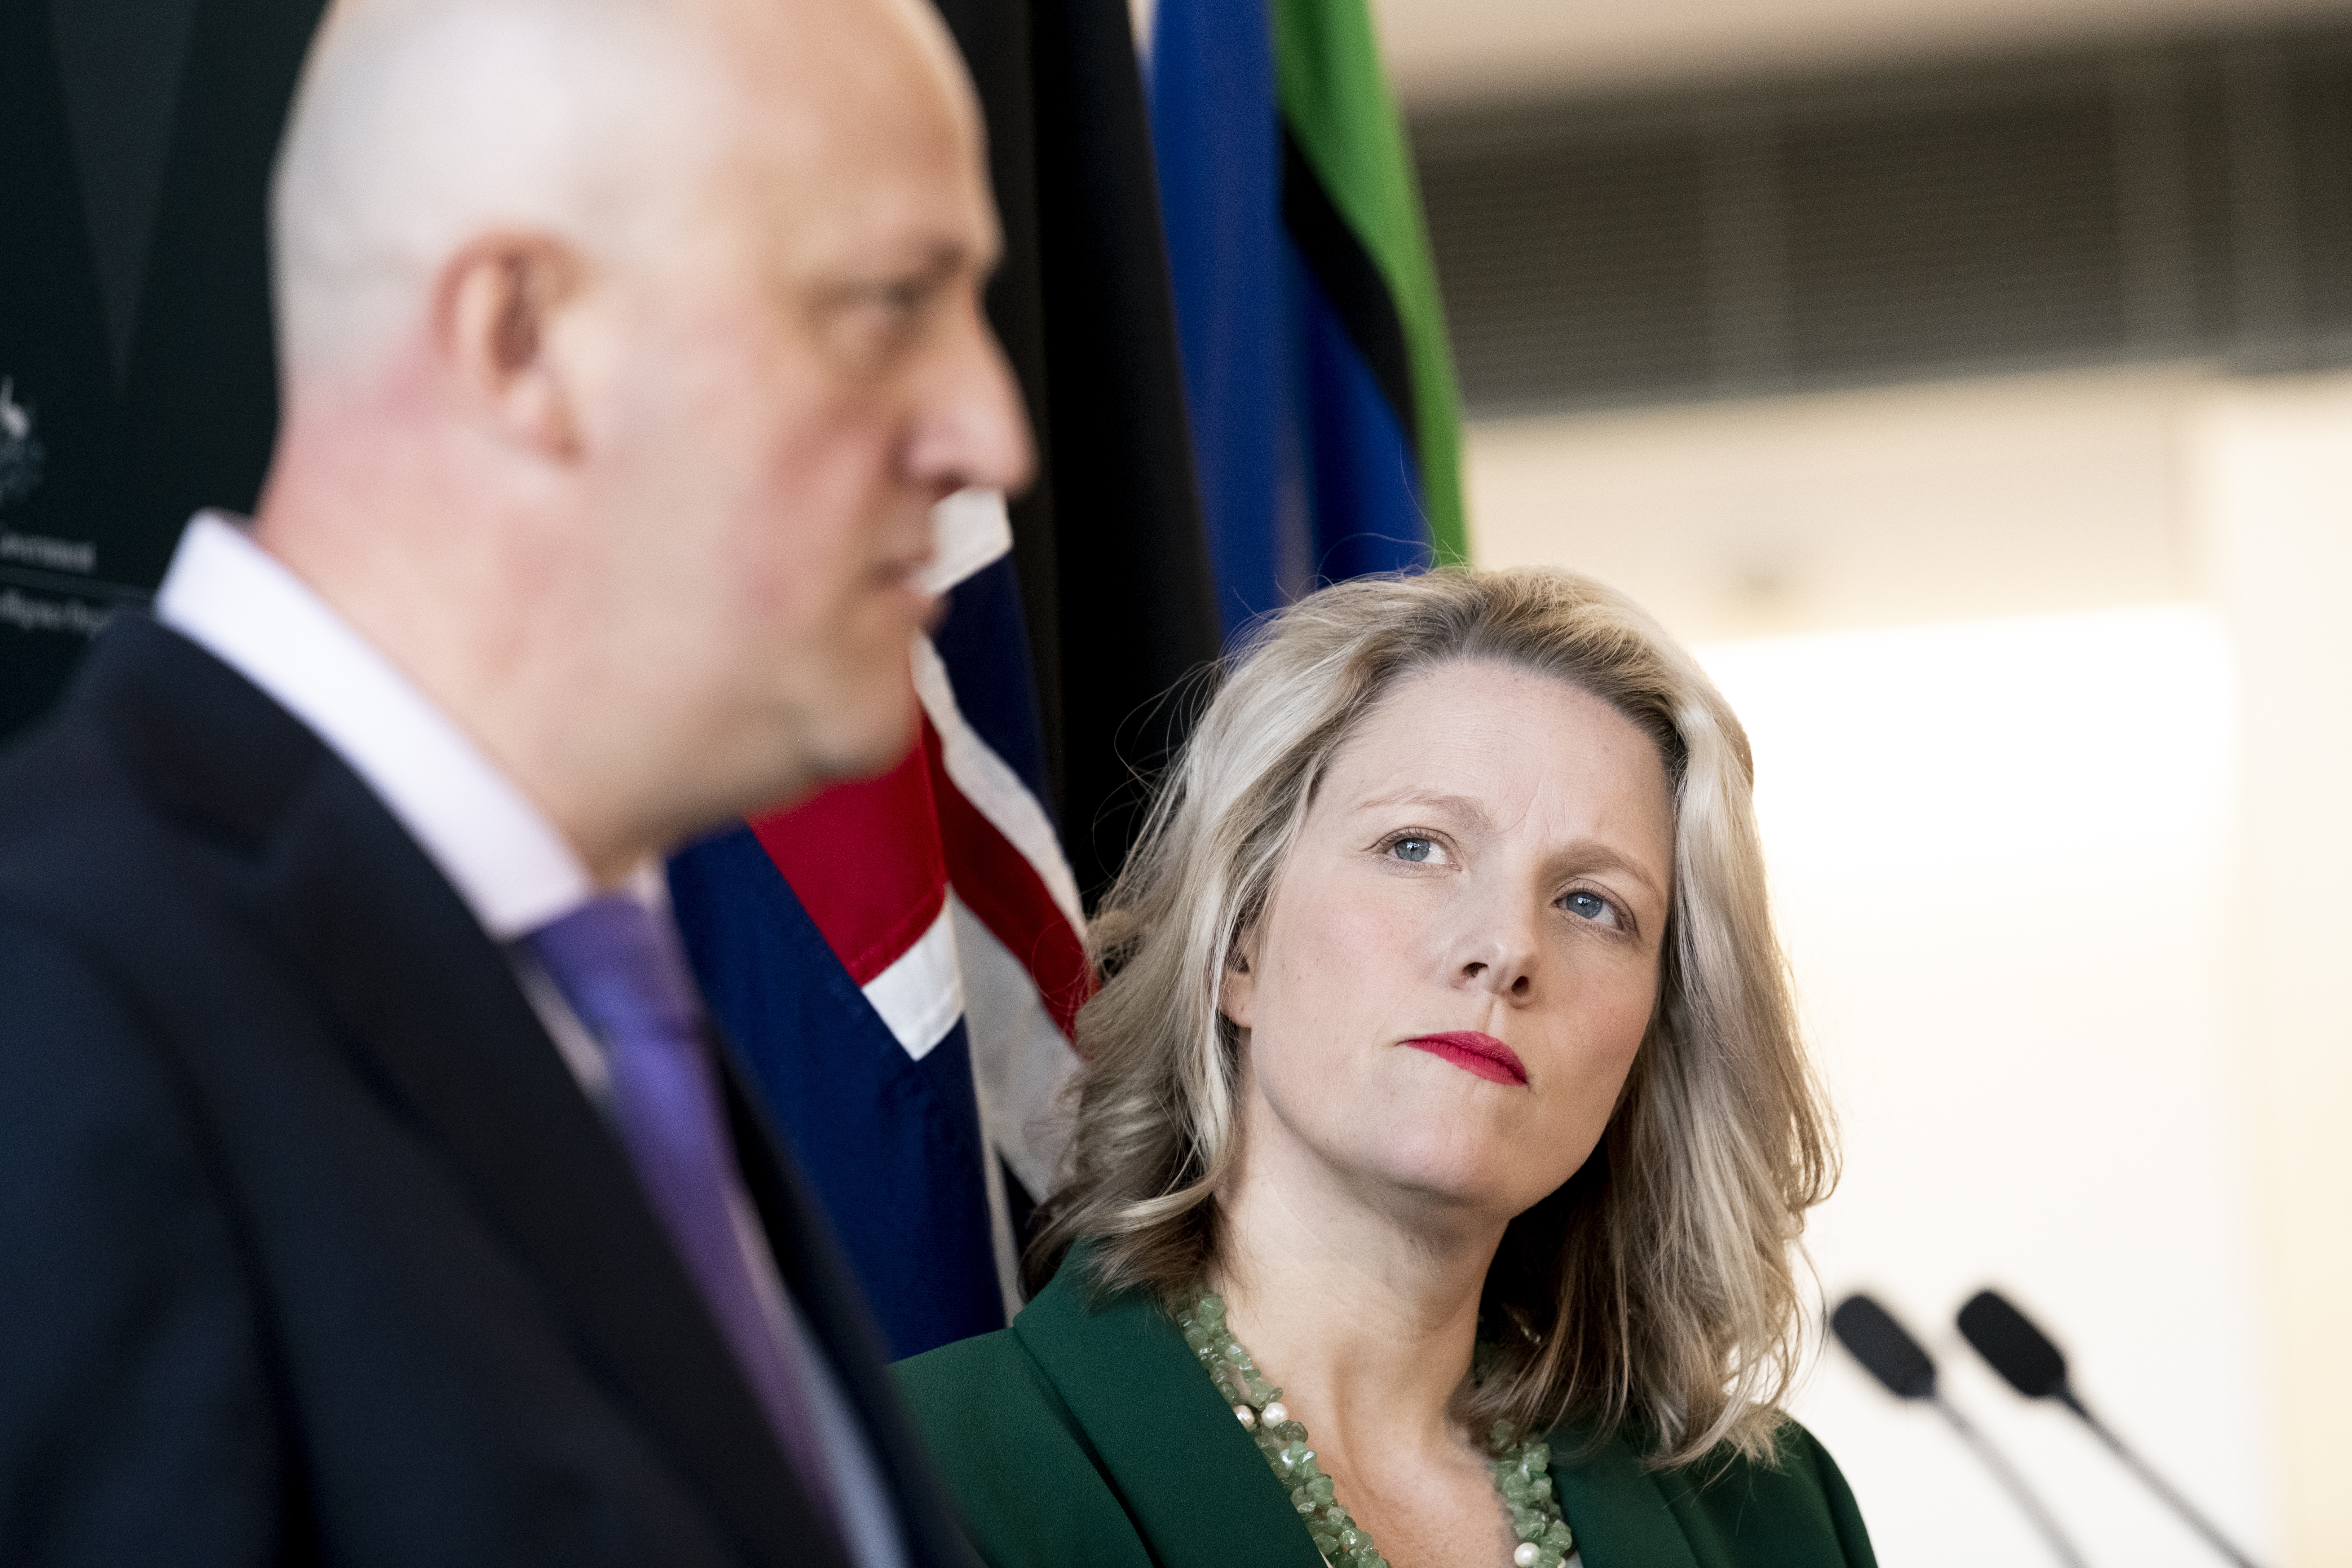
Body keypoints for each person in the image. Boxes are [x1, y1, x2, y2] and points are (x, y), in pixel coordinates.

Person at [0, 0, 1029, 1561]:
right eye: (888, 303)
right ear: (522, 338)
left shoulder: (609, 1004)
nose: (991, 434)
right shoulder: (55, 1003)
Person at [896, 568, 1875, 1568]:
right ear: (1238, 944)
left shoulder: (1775, 1517)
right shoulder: (918, 1473)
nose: (1505, 946)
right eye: (1416, 846)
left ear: (1655, 1036)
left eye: (1592, 903)